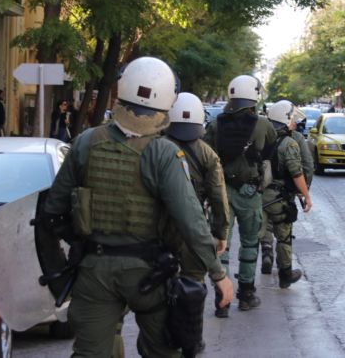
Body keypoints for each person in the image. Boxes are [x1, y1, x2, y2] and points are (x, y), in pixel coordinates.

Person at [41, 56, 233, 357]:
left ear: (122, 88)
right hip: (150, 273)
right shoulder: (164, 153)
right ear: (167, 99)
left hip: (95, 271)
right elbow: (191, 220)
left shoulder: (85, 142)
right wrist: (218, 274)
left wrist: (79, 243)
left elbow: (53, 210)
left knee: (91, 353)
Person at [203, 75, 276, 316]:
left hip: (221, 190)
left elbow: (206, 155)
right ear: (254, 96)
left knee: (221, 243)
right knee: (250, 243)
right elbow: (271, 149)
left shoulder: (216, 124)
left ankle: (221, 301)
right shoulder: (263, 124)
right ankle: (246, 295)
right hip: (249, 193)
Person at [163, 91, 230, 352]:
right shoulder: (208, 155)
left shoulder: (157, 147)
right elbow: (218, 197)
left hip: (160, 226)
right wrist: (221, 232)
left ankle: (165, 337)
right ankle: (193, 339)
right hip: (193, 229)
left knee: (160, 281)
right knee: (193, 282)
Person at [260, 101, 313, 288]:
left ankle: (247, 281)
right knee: (284, 237)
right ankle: (285, 275)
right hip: (279, 198)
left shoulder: (261, 138)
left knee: (256, 235)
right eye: (292, 119)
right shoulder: (289, 143)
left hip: (258, 196)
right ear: (285, 119)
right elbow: (297, 173)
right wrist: (306, 195)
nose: (294, 123)